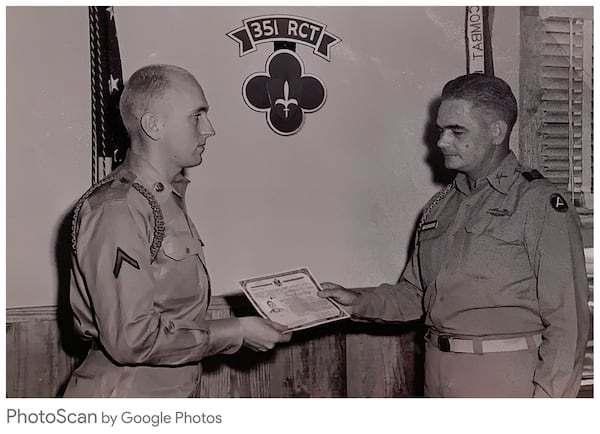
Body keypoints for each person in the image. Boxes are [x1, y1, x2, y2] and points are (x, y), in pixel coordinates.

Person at [319, 73, 590, 398]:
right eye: (441, 130)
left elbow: (569, 324)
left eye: (456, 131)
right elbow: (414, 295)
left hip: (508, 382)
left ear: (497, 131)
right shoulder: (440, 207)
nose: (441, 142)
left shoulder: (538, 204)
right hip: (438, 377)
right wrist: (359, 302)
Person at [64, 64, 291, 398]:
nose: (209, 129)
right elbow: (132, 339)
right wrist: (237, 331)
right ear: (154, 125)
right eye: (197, 116)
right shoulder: (119, 208)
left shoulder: (162, 199)